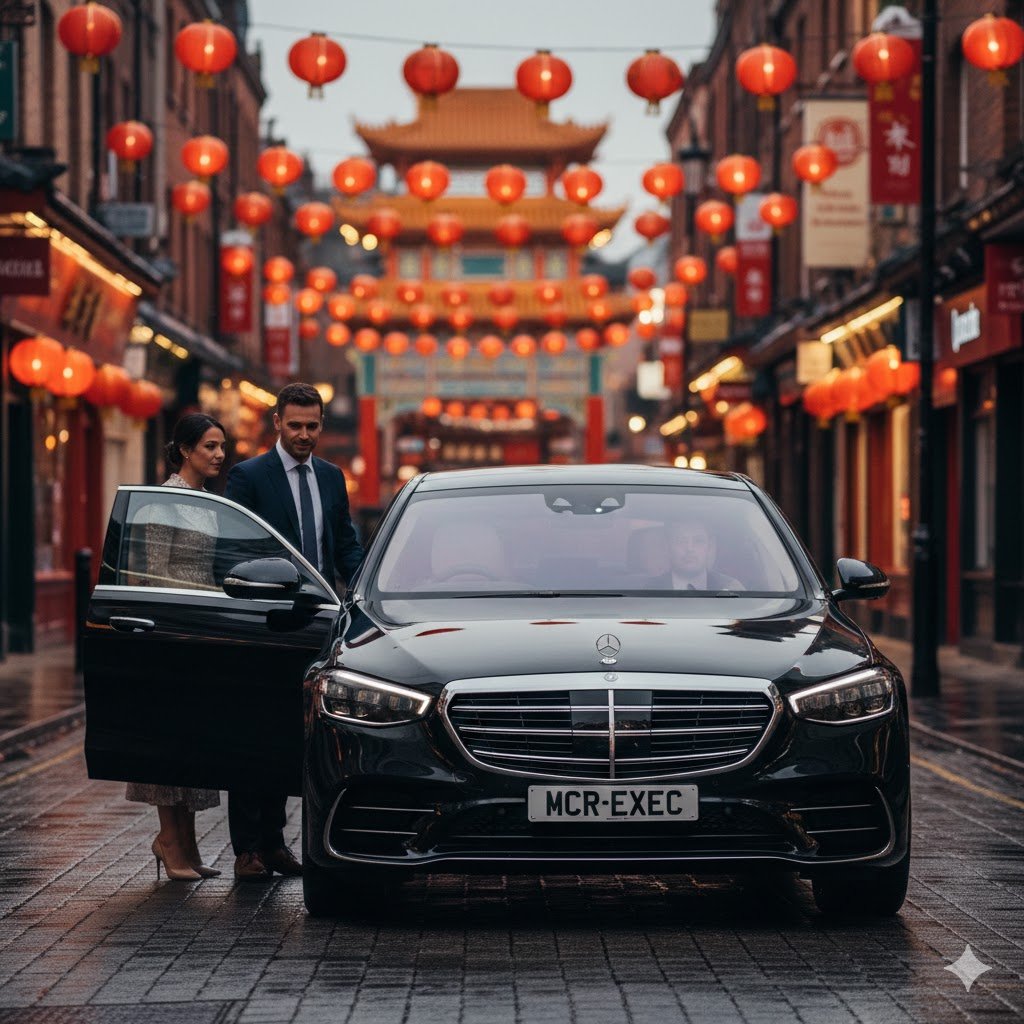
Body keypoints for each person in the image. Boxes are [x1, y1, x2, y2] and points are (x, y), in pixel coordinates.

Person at [224, 381, 363, 881]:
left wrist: (367, 586)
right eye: (295, 425)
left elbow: (344, 545)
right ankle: (247, 847)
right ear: (277, 423)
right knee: (252, 730)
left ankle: (277, 842)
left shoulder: (331, 477)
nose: (304, 434)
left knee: (298, 735)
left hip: (318, 624)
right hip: (264, 622)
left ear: (321, 425)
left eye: (312, 426)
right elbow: (236, 551)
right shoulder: (248, 476)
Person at [126, 412, 227, 881]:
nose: (219, 455)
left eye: (221, 446)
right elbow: (151, 573)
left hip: (203, 632)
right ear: (185, 450)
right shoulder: (160, 503)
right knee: (170, 737)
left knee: (196, 738)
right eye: (209, 446)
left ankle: (186, 842)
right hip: (171, 632)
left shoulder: (210, 503)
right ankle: (169, 840)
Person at [649, 516, 745, 591]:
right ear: (668, 547)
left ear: (709, 546)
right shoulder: (650, 591)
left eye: (698, 541)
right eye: (681, 541)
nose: (689, 548)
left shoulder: (732, 589)